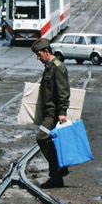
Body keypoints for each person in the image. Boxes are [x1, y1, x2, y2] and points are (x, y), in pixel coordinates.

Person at [31, 38, 71, 189]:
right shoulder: (49, 67)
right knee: (49, 141)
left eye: (39, 54)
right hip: (48, 111)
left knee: (42, 138)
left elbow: (63, 91)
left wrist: (62, 112)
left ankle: (58, 171)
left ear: (47, 52)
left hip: (54, 114)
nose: (38, 58)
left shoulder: (58, 67)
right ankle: (57, 176)